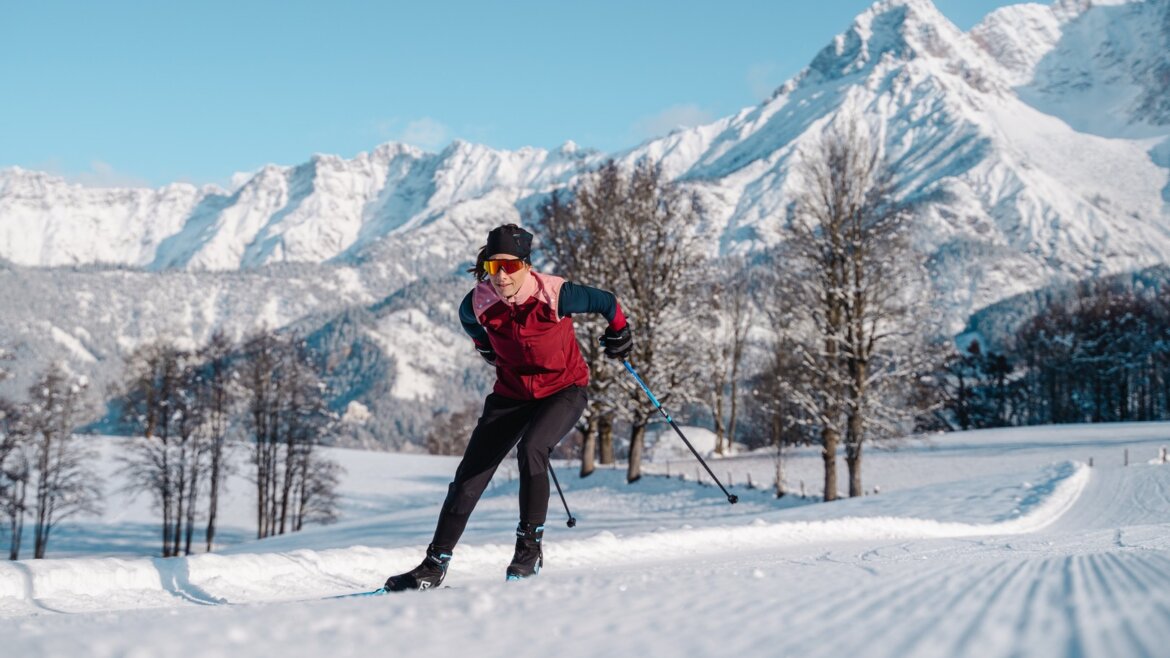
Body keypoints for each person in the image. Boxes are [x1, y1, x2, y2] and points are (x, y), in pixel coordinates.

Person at [384, 223, 633, 591]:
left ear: (527, 266)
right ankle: (434, 565)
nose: (501, 276)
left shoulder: (557, 294)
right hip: (512, 394)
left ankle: (528, 550)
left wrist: (619, 332)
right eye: (492, 266)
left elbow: (607, 303)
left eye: (510, 266)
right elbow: (471, 325)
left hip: (564, 389)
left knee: (532, 448)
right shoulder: (477, 303)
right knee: (470, 476)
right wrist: (486, 348)